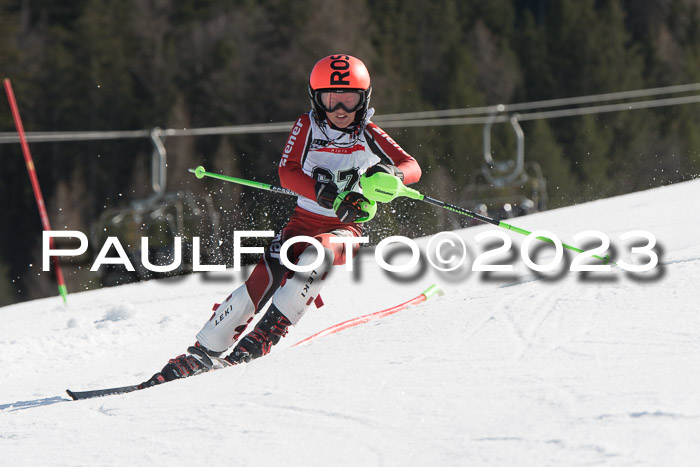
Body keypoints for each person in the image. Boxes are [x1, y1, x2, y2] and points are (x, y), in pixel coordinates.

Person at [140, 54, 422, 387]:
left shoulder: (369, 132)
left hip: (346, 228)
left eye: (350, 99)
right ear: (316, 99)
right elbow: (287, 173)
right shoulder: (307, 126)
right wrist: (326, 194)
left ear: (365, 99)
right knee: (260, 282)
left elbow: (411, 166)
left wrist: (391, 174)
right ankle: (201, 353)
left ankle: (265, 334)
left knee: (315, 258)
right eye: (331, 100)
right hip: (301, 223)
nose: (341, 110)